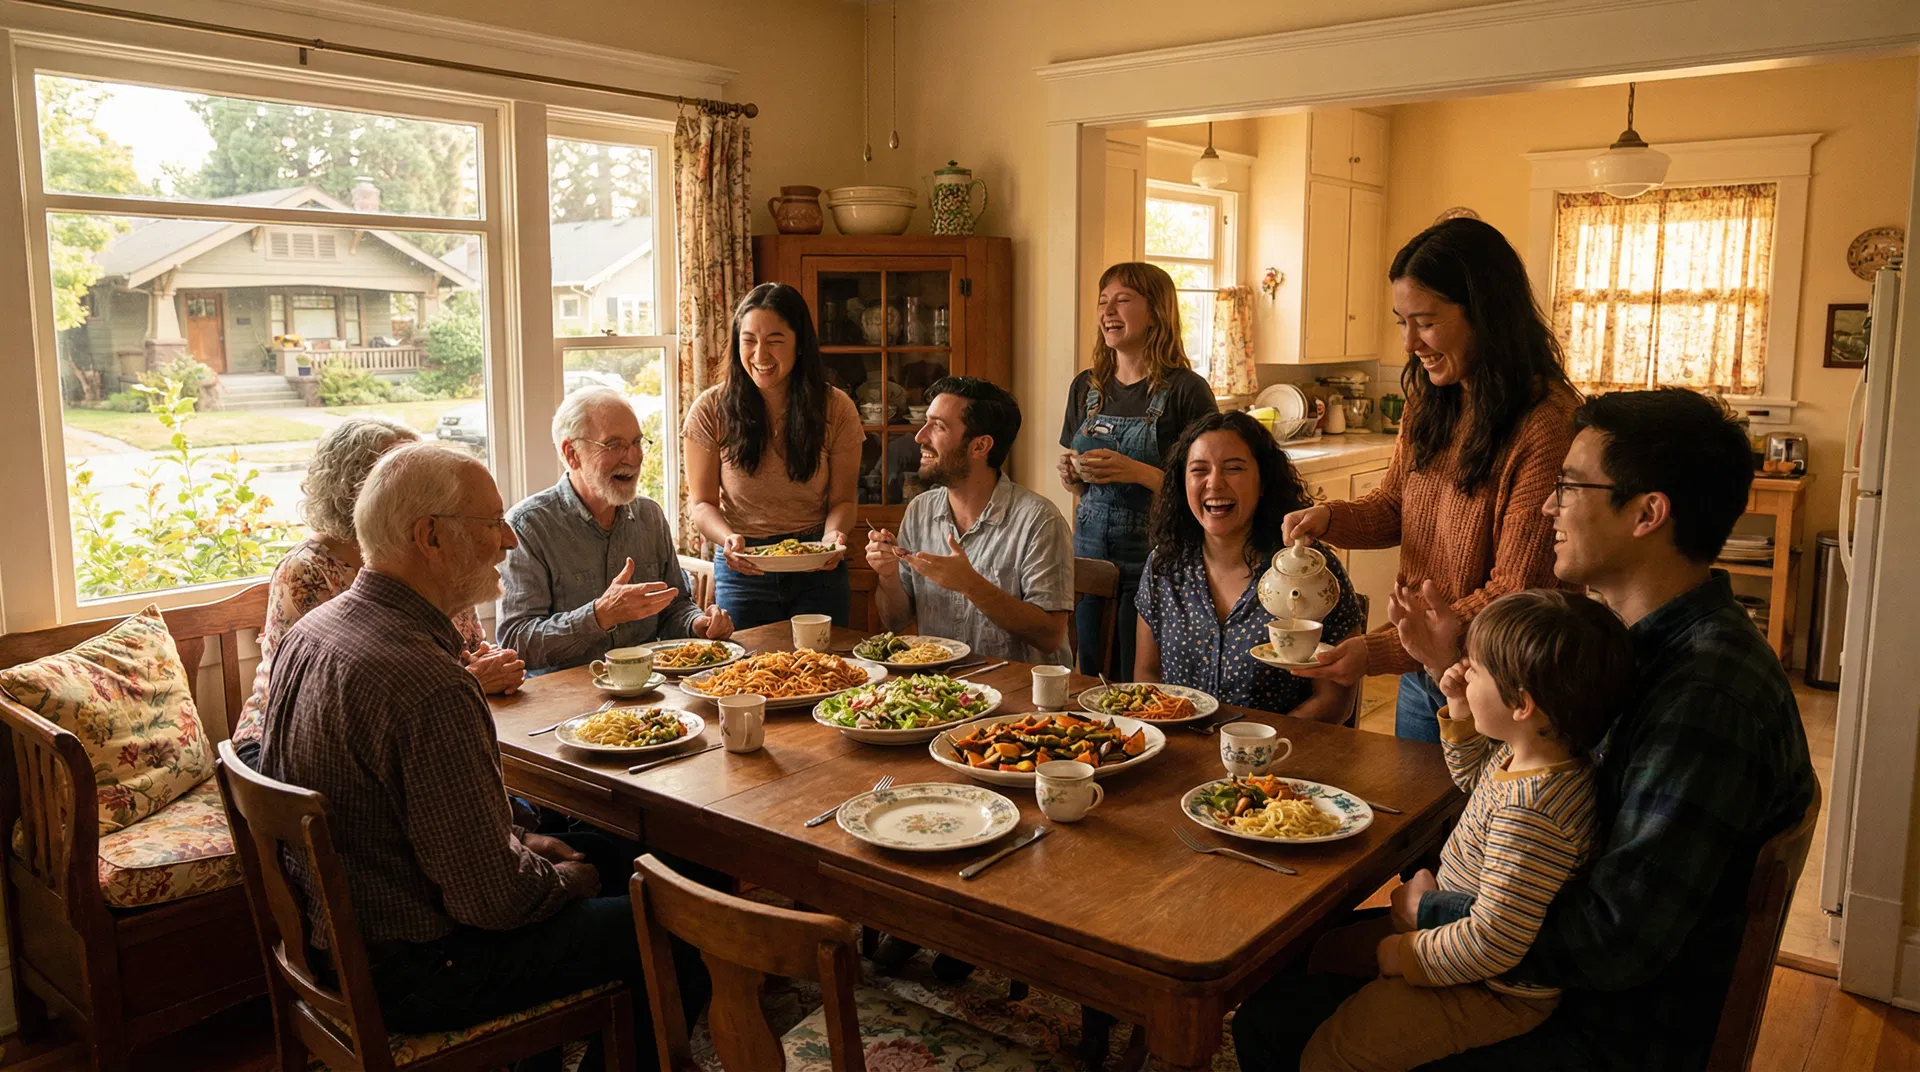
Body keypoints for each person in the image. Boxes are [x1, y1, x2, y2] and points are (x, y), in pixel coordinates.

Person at [1234, 389, 1817, 1071]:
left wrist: (1436, 914)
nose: (1548, 506)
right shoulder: (1637, 647)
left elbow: (1614, 943)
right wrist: (1451, 665)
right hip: (1542, 972)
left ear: (1647, 513)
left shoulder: (1705, 698)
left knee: (1279, 1021)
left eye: (1569, 486)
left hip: (1603, 1027)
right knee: (1297, 959)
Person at [258, 442, 706, 1070]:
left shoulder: (316, 632)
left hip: (346, 936)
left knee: (642, 858)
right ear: (429, 537)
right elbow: (496, 904)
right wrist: (570, 879)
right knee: (671, 928)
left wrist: (523, 838)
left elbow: (434, 824)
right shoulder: (428, 681)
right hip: (417, 966)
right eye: (492, 524)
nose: (510, 541)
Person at [1298, 590, 1635, 1071]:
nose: (1462, 671)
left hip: (1487, 987)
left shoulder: (1533, 814)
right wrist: (1458, 702)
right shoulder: (1536, 755)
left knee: (1335, 1052)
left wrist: (1403, 953)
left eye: (1474, 667)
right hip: (1446, 926)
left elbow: (1492, 943)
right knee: (1329, 953)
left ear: (1521, 703)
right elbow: (1474, 780)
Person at [1283, 218, 1579, 742]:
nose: (1410, 343)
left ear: (1485, 313)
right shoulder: (1431, 397)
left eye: (1424, 321)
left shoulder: (1546, 421)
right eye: (1401, 322)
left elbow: (1517, 591)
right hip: (1425, 674)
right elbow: (1396, 507)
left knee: (1471, 823)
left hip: (1504, 688)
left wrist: (1381, 649)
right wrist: (1330, 518)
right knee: (1419, 818)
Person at [229, 417, 523, 768]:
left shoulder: (443, 569)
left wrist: (486, 667)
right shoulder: (309, 571)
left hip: (403, 722)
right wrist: (465, 682)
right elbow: (322, 693)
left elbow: (466, 652)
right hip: (287, 740)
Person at [1134, 411, 1363, 721]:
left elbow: (1333, 701)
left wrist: (1253, 747)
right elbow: (1147, 674)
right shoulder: (1164, 565)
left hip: (1282, 758)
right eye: (1199, 470)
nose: (1214, 483)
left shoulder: (1309, 570)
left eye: (1234, 468)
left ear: (1263, 481)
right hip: (1180, 752)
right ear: (1182, 482)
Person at [499, 387, 732, 672]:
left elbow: (674, 608)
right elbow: (516, 642)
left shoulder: (650, 516)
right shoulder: (528, 526)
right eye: (614, 445)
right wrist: (598, 616)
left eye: (636, 442)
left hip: (649, 691)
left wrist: (698, 624)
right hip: (564, 699)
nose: (633, 457)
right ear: (572, 454)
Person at [1058, 262, 1218, 678]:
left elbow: (1210, 489)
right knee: (1092, 674)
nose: (1109, 311)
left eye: (1123, 300)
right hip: (1090, 555)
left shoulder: (1187, 390)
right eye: (1102, 301)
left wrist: (1138, 471)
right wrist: (1074, 478)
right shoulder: (1086, 387)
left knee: (1144, 681)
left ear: (1156, 312)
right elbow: (1084, 494)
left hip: (1158, 553)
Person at [685, 283, 861, 629]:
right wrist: (728, 540)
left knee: (828, 673)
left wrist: (832, 539)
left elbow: (843, 500)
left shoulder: (837, 407)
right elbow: (701, 504)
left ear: (799, 345)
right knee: (746, 675)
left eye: (775, 340)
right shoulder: (710, 409)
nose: (760, 355)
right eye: (749, 340)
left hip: (816, 565)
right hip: (744, 567)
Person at [867, 376, 1074, 668]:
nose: (919, 437)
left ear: (980, 446)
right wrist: (888, 576)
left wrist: (970, 585)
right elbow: (896, 621)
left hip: (1021, 698)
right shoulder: (919, 511)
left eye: (938, 426)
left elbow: (1049, 637)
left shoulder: (1039, 520)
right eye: (926, 422)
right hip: (941, 693)